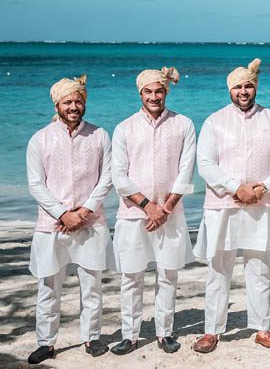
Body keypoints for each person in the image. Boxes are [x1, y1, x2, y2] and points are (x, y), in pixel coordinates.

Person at [192, 58, 270, 353]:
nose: (244, 91)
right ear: (230, 90)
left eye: (249, 86)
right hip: (224, 205)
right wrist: (236, 188)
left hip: (263, 204)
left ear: (255, 87)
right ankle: (212, 330)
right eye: (238, 87)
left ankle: (262, 328)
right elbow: (205, 163)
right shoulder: (214, 121)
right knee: (219, 268)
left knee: (260, 267)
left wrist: (263, 187)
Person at [26, 74, 113, 365]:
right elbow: (36, 184)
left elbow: (107, 177)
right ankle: (46, 343)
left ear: (84, 102)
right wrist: (64, 214)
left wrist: (84, 211)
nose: (73, 106)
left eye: (78, 101)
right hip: (52, 224)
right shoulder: (39, 138)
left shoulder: (99, 135)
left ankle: (92, 337)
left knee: (92, 285)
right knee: (49, 286)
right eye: (68, 102)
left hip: (91, 222)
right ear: (58, 104)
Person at [109, 67, 196, 356]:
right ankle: (130, 335)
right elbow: (119, 176)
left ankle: (165, 332)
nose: (154, 96)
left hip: (170, 213)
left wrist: (166, 208)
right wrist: (149, 207)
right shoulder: (124, 128)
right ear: (140, 93)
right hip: (135, 214)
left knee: (167, 274)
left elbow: (186, 170)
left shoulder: (183, 124)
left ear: (166, 92)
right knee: (132, 276)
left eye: (159, 91)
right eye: (148, 91)